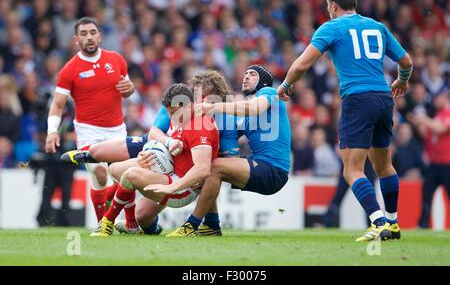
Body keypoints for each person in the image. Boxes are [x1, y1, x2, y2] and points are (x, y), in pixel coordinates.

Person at [277, 0, 413, 241]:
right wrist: (403, 80)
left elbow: (303, 64)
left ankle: (378, 220)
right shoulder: (377, 26)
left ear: (334, 5)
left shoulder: (331, 28)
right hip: (384, 98)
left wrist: (285, 85)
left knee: (352, 170)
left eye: (328, 5)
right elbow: (406, 62)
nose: (328, 10)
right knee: (384, 166)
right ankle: (394, 223)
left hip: (357, 100)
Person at [62, 70, 239, 236]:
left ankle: (200, 224)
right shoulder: (178, 108)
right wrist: (150, 151)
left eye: (210, 100)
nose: (203, 103)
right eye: (200, 97)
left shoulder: (213, 122)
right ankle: (88, 154)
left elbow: (217, 165)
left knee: (139, 198)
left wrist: (195, 178)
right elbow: (155, 132)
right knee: (114, 168)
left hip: (179, 177)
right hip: (160, 150)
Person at [145, 64, 291, 237]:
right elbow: (227, 152)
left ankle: (192, 225)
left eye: (252, 74)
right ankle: (211, 224)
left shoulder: (269, 93)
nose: (246, 77)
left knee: (213, 167)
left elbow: (253, 108)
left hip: (274, 169)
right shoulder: (236, 118)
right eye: (245, 74)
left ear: (264, 81)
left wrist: (214, 107)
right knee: (209, 166)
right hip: (264, 165)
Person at [91, 83, 219, 237]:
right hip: (171, 174)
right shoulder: (182, 118)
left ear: (190, 105)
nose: (171, 117)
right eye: (169, 113)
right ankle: (135, 223)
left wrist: (173, 187)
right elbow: (162, 144)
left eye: (174, 112)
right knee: (116, 171)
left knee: (130, 175)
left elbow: (203, 169)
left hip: (182, 188)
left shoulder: (199, 126)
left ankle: (107, 222)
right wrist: (144, 155)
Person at [45, 17, 135, 229]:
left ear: (100, 36)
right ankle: (102, 225)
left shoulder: (116, 60)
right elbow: (57, 105)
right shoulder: (69, 70)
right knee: (100, 174)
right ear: (76, 40)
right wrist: (52, 131)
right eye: (83, 34)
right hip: (89, 132)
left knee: (125, 175)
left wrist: (130, 89)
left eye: (92, 32)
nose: (89, 37)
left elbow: (128, 89)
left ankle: (132, 223)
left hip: (117, 130)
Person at [412, 91, 450, 228]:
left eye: (438, 97)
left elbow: (440, 128)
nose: (435, 100)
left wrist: (423, 119)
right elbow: (427, 134)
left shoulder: (447, 112)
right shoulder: (438, 115)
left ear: (445, 97)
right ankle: (423, 223)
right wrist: (418, 123)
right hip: (434, 162)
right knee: (426, 192)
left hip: (447, 162)